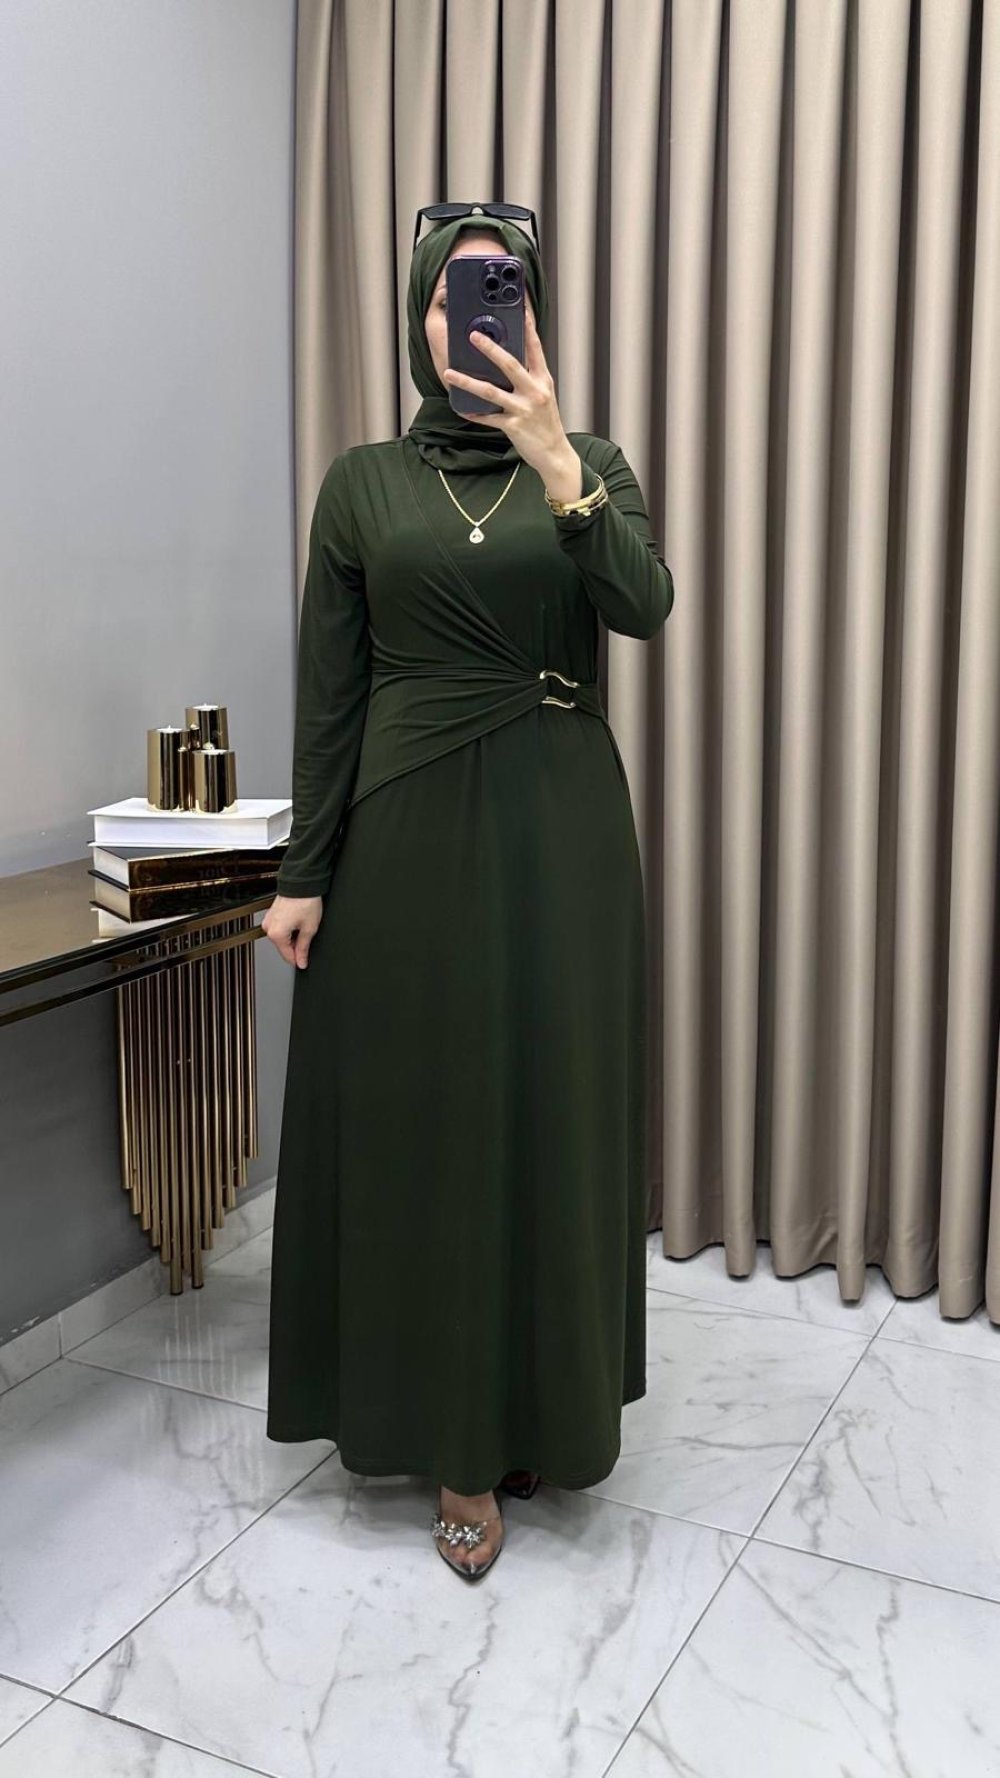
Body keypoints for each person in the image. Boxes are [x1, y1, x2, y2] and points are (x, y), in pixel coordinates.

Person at [262, 208, 674, 1581]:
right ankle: (450, 1441)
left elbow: (644, 606)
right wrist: (303, 872)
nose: (471, 322)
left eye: (499, 296)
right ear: (416, 320)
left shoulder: (592, 462)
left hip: (563, 832)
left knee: (549, 1115)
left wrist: (559, 464)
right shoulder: (362, 484)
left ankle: (541, 1407)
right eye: (448, 299)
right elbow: (331, 693)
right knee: (428, 1125)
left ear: (534, 317)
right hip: (404, 831)